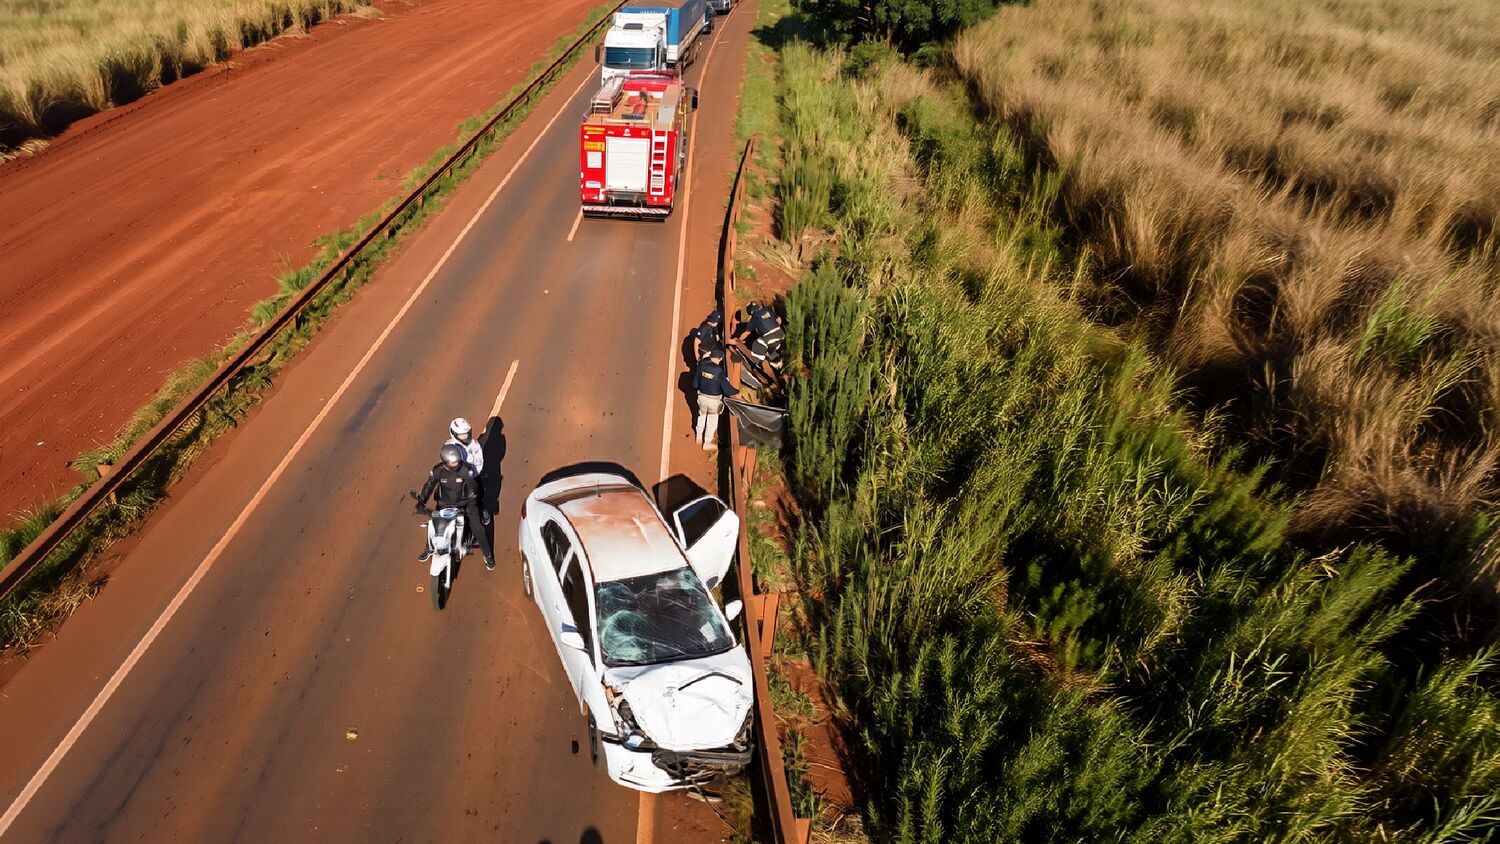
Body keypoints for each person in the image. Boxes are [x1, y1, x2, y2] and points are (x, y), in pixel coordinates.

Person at [414, 443, 494, 570]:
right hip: (444, 504)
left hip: (466, 504)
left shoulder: (466, 470)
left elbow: (473, 487)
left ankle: (488, 554)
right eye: (452, 463)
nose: (456, 465)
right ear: (445, 462)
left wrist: (470, 499)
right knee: (434, 524)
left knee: (478, 527)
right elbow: (429, 485)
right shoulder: (438, 471)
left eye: (457, 462)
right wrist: (421, 500)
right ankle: (429, 547)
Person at [692, 345, 739, 450]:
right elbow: (727, 390)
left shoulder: (701, 366)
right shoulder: (719, 372)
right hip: (714, 401)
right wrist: (737, 391)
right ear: (721, 358)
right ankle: (707, 443)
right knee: (712, 421)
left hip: (702, 398)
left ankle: (698, 436)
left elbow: (694, 384)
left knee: (701, 416)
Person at [747, 302, 786, 371]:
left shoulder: (754, 316)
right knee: (769, 347)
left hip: (770, 338)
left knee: (758, 344)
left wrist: (739, 339)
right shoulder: (767, 310)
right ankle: (777, 364)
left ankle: (757, 363)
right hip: (780, 334)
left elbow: (747, 332)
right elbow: (779, 319)